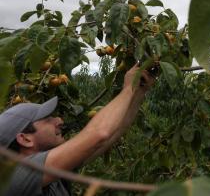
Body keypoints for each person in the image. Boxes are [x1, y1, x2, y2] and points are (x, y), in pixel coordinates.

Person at [0, 64, 154, 196]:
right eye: (47, 119)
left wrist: (139, 90)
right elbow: (98, 134)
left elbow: (111, 134)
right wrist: (128, 89)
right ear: (25, 139)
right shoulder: (15, 177)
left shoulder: (56, 174)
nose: (59, 120)